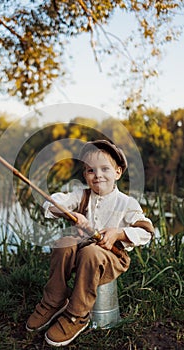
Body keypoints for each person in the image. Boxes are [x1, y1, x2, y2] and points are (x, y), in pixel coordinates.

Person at [26, 139, 154, 347]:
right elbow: (51, 204)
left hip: (112, 257)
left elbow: (147, 231)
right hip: (82, 251)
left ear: (118, 173)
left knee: (91, 253)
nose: (98, 175)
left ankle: (77, 314)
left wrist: (119, 233)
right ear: (85, 175)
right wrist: (72, 214)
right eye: (90, 170)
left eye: (105, 169)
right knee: (65, 241)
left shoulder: (127, 203)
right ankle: (55, 299)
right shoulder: (82, 195)